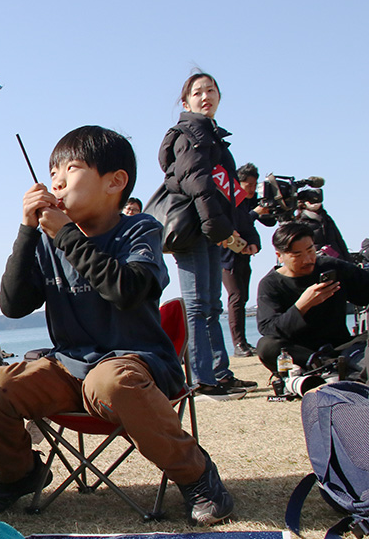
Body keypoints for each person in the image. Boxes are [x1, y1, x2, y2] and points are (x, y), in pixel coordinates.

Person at [0, 125, 234, 527]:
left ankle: (197, 476)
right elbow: (13, 305)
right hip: (70, 367)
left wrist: (66, 236)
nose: (57, 181)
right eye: (53, 172)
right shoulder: (49, 241)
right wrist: (27, 233)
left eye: (71, 169)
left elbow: (126, 290)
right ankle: (18, 474)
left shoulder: (139, 229)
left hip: (135, 366)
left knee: (110, 381)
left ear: (115, 182)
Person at [156, 72, 255, 400]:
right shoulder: (190, 134)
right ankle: (202, 379)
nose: (205, 96)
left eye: (211, 90)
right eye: (198, 92)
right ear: (185, 103)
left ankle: (219, 373)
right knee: (198, 305)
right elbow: (197, 182)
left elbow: (227, 191)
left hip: (210, 229)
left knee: (211, 305)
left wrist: (233, 229)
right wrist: (217, 227)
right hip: (194, 229)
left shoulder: (211, 135)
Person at [256, 221, 369, 378]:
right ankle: (328, 368)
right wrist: (301, 306)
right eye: (297, 255)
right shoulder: (271, 284)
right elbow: (269, 329)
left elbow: (365, 290)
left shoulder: (331, 267)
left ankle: (336, 370)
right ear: (280, 256)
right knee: (267, 346)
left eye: (310, 250)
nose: (307, 259)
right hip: (303, 353)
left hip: (342, 345)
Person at [221, 163, 274, 357]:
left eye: (254, 185)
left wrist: (254, 244)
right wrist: (255, 212)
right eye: (248, 185)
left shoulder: (247, 202)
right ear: (238, 184)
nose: (251, 189)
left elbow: (263, 223)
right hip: (227, 258)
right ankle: (238, 344)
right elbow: (240, 221)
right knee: (236, 297)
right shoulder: (230, 200)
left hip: (243, 256)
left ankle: (242, 342)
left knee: (242, 297)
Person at [296, 189, 350, 261]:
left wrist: (348, 261)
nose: (315, 204)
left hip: (335, 259)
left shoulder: (327, 218)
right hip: (315, 260)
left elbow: (339, 240)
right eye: (312, 202)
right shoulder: (301, 222)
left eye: (318, 201)